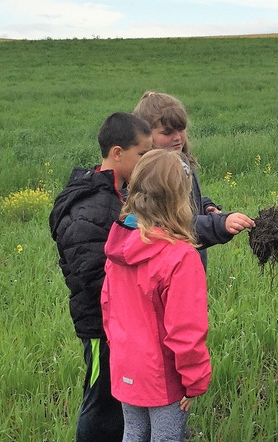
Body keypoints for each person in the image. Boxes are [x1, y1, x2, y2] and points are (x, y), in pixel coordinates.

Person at [49, 111, 153, 441]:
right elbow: (90, 276)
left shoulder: (116, 193)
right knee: (100, 400)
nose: (146, 162)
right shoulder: (91, 207)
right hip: (99, 325)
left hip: (118, 323)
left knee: (115, 401)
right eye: (142, 154)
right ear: (117, 153)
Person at [101, 148, 212, 442]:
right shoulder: (180, 257)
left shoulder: (118, 247)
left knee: (133, 434)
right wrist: (194, 382)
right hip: (163, 376)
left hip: (125, 365)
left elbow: (108, 307)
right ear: (180, 198)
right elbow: (185, 331)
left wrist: (122, 355)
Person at [133, 91, 254, 270]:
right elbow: (171, 224)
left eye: (181, 129)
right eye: (167, 132)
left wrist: (205, 207)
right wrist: (220, 225)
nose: (177, 137)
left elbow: (185, 204)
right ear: (145, 134)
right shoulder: (152, 176)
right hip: (168, 268)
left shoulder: (182, 161)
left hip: (187, 264)